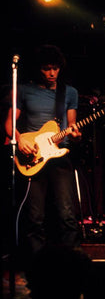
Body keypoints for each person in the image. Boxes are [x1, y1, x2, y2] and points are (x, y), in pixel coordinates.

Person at [4, 45, 82, 276]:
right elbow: (10, 124)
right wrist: (20, 141)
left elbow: (71, 126)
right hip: (33, 156)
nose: (51, 73)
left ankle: (72, 267)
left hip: (59, 158)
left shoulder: (69, 93)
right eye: (47, 69)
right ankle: (37, 268)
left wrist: (75, 135)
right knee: (34, 216)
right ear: (39, 69)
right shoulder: (24, 91)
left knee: (67, 214)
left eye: (55, 68)